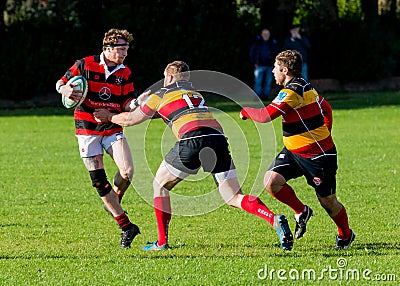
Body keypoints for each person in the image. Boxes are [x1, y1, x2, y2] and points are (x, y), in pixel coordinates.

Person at [94, 60, 294, 251]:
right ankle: (272, 218)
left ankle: (161, 242)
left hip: (191, 139)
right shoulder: (195, 94)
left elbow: (130, 119)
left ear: (170, 76)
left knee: (160, 186)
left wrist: (108, 116)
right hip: (217, 138)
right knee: (233, 196)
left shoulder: (160, 94)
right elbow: (168, 111)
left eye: (165, 77)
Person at [240, 50, 355, 250]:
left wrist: (246, 111)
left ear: (285, 70)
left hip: (318, 156)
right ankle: (301, 212)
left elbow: (266, 115)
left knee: (328, 202)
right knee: (271, 182)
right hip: (294, 152)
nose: (274, 71)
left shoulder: (293, 91)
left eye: (276, 68)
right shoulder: (304, 85)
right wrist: (324, 131)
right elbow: (326, 109)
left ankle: (345, 234)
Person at [55, 28, 141, 248]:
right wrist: (65, 90)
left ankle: (115, 198)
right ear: (108, 48)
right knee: (99, 181)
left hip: (112, 126)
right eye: (121, 49)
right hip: (87, 129)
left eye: (126, 49)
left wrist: (136, 104)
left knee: (128, 172)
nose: (124, 54)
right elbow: (60, 83)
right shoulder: (84, 64)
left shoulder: (125, 72)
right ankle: (126, 226)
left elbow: (127, 101)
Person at [249, 28, 280, 100]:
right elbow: (252, 53)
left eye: (267, 34)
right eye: (264, 34)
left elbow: (277, 53)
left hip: (270, 66)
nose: (266, 35)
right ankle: (257, 97)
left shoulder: (273, 43)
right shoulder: (257, 43)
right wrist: (254, 62)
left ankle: (266, 96)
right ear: (261, 35)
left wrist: (275, 63)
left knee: (268, 82)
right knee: (258, 82)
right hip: (259, 65)